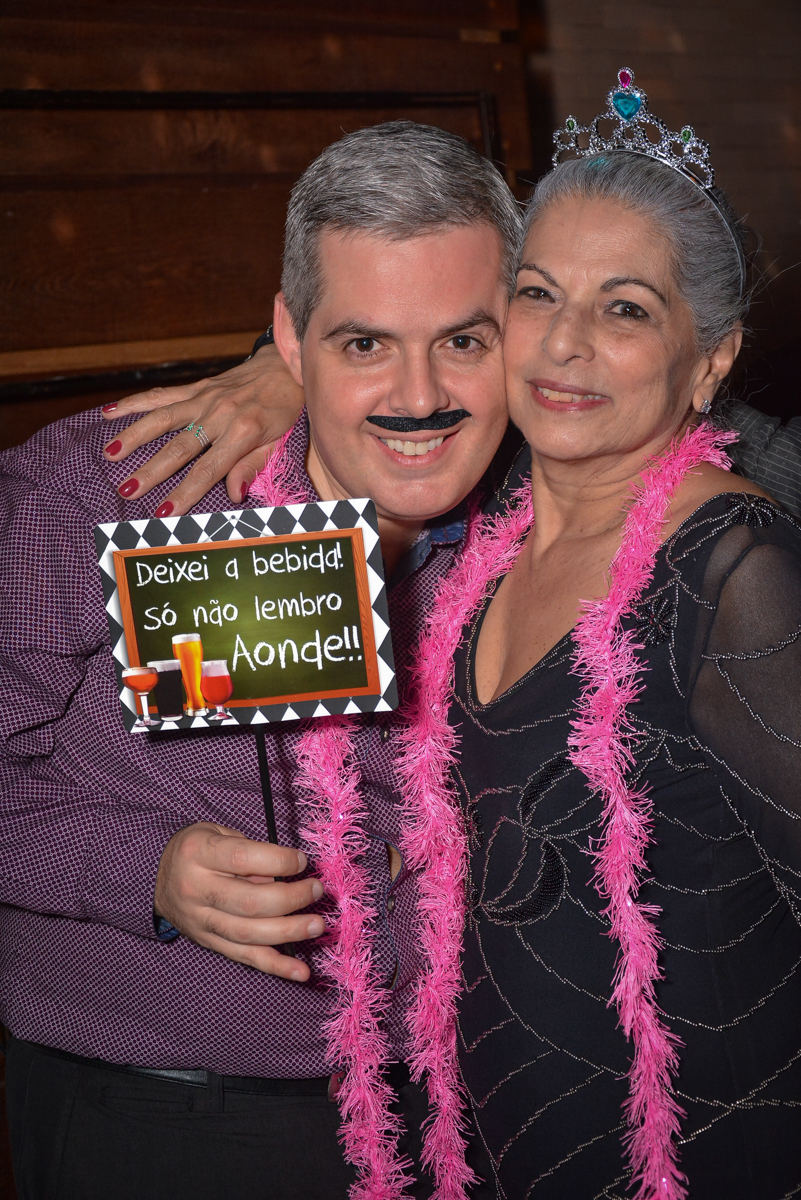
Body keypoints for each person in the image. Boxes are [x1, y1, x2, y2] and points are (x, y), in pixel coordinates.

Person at [0, 121, 519, 1200]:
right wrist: (142, 869)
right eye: (364, 343)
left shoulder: (552, 517)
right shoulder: (110, 493)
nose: (418, 395)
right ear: (288, 338)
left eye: (463, 341)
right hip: (164, 1109)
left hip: (473, 1101)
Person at [438, 78, 801, 1198]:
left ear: (712, 360)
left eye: (627, 308)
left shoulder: (736, 576)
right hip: (508, 1154)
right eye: (539, 293)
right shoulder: (486, 544)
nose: (565, 343)